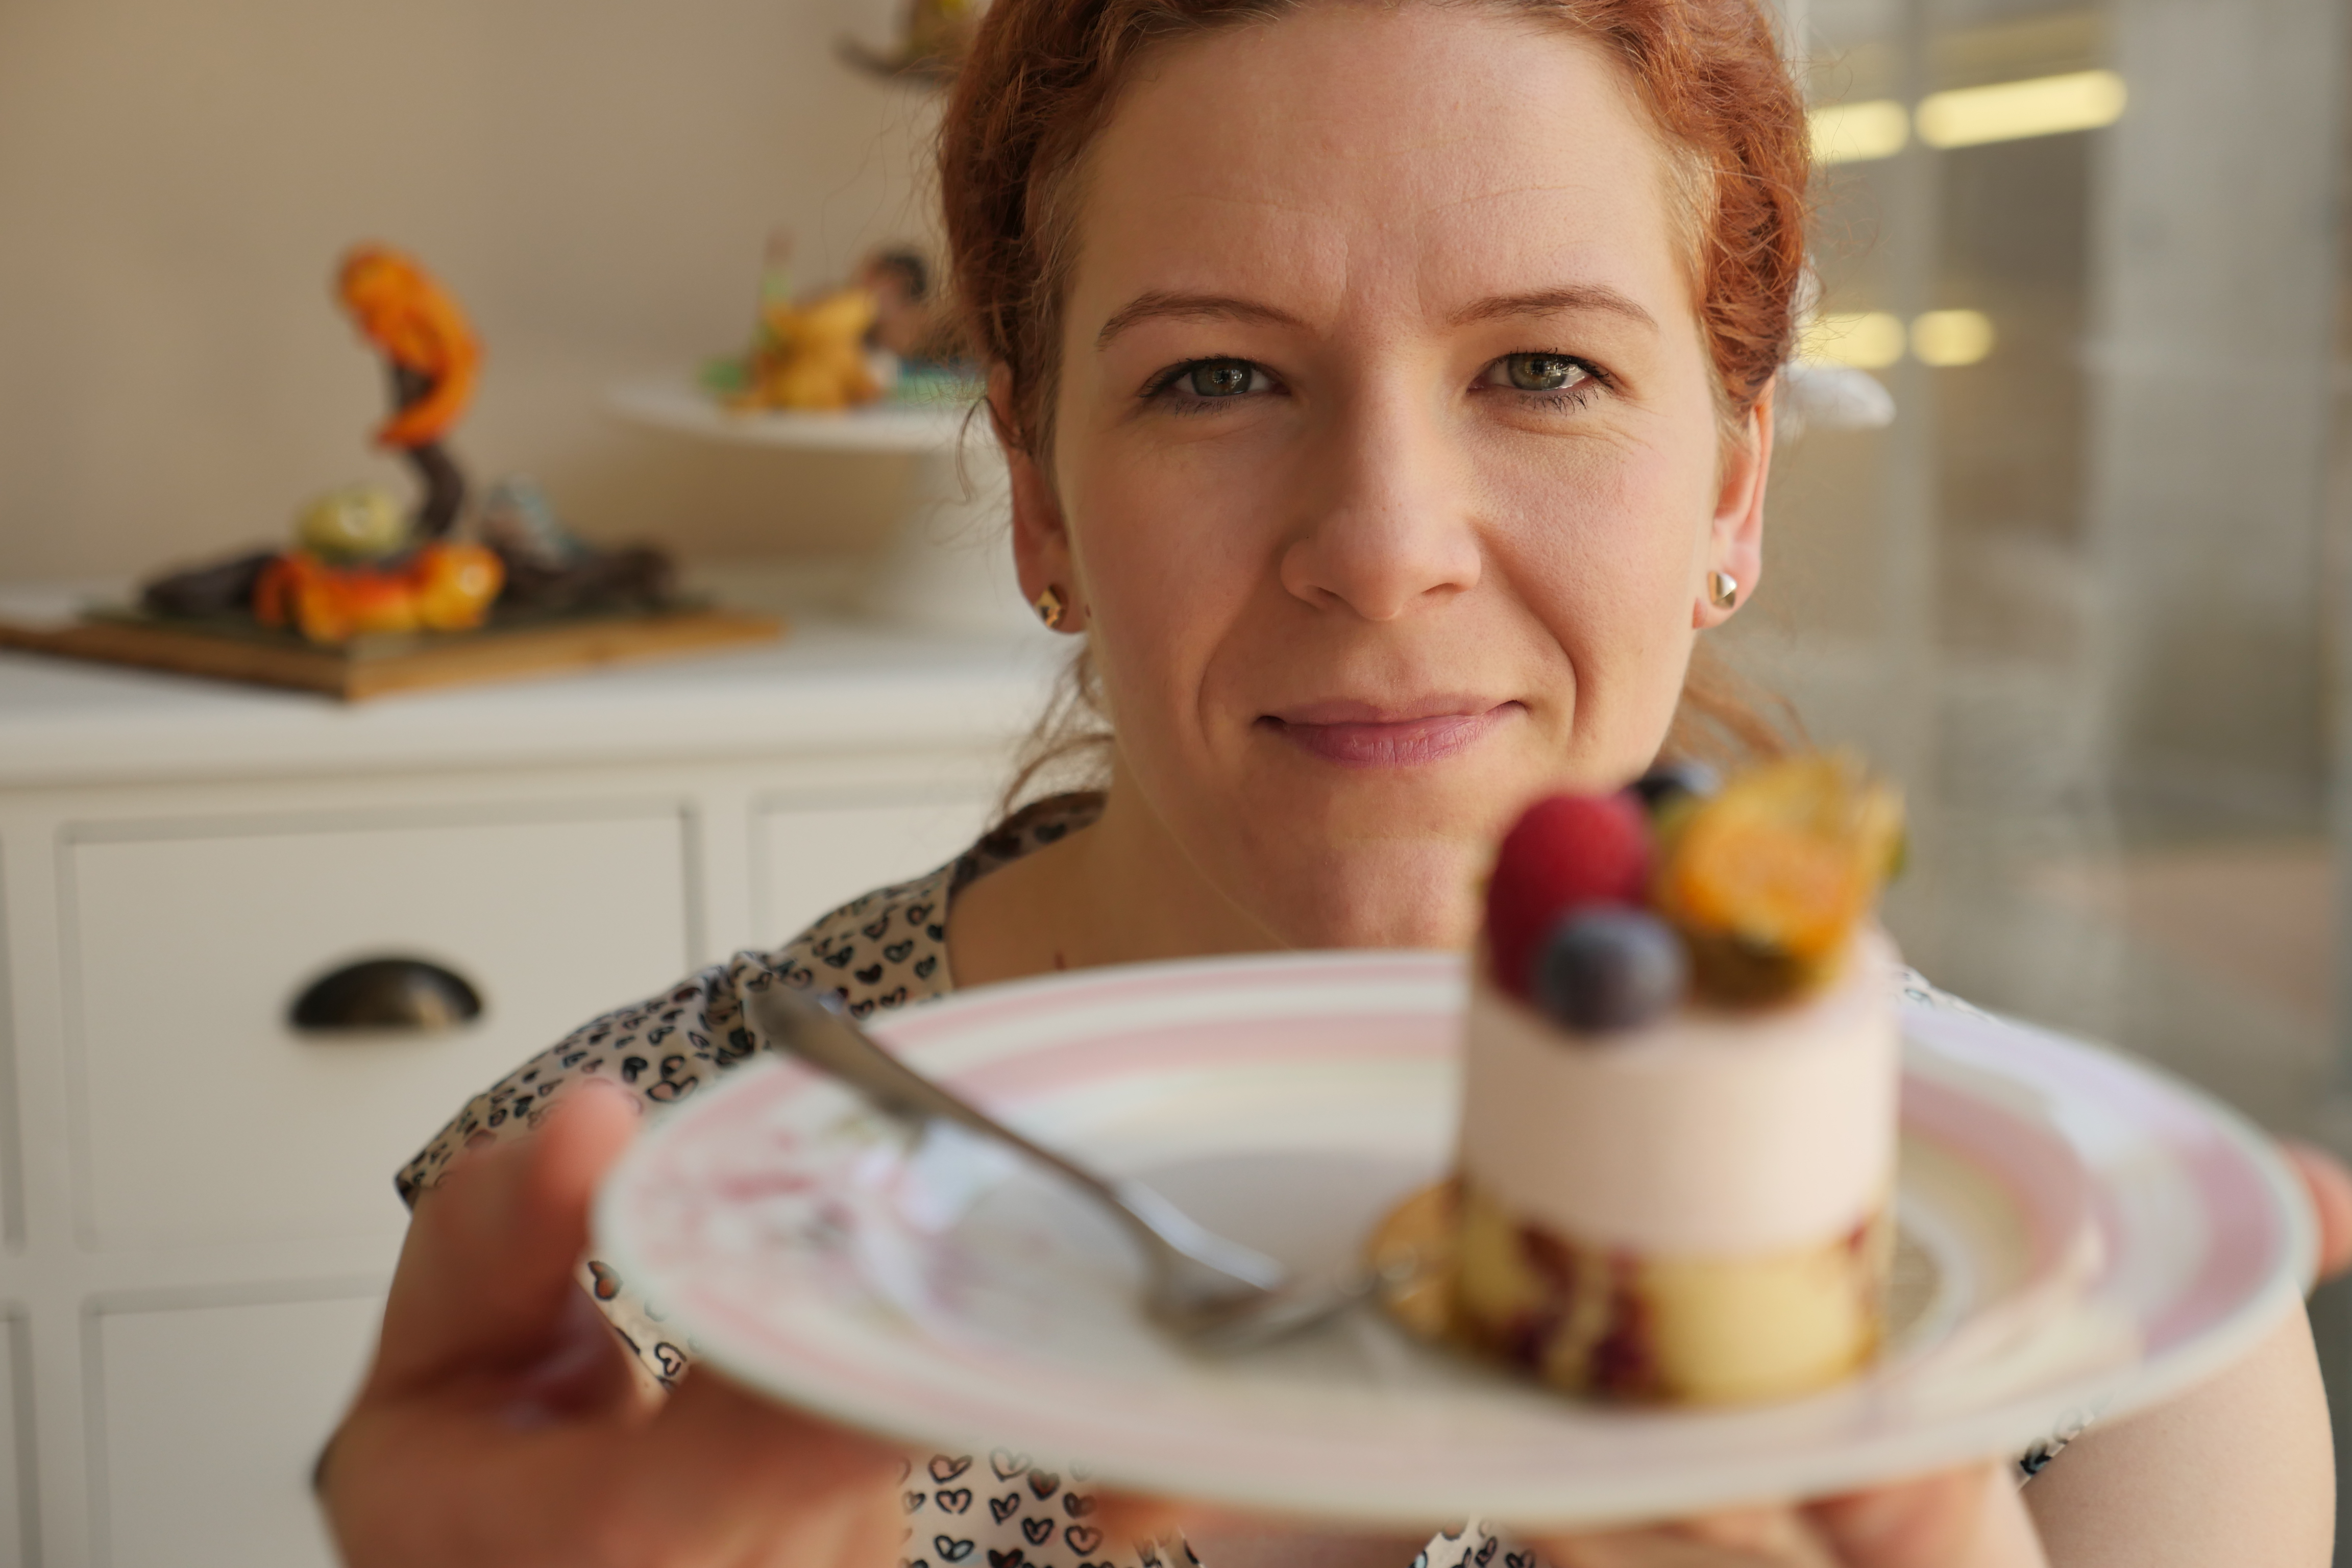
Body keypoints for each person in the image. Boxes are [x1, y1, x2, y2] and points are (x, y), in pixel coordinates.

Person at [318, 1, 2344, 1564]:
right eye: (1215, 377)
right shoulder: (653, 1252)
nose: (1384, 547)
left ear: (1735, 486)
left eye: (1542, 370)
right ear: (1039, 497)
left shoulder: (2099, 1326)